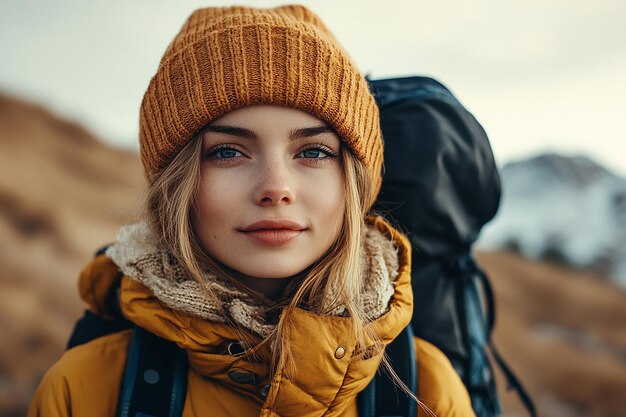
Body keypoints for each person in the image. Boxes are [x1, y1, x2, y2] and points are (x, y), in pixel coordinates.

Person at [28, 5, 475, 417]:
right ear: (175, 186)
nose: (276, 188)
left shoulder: (428, 392)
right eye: (227, 153)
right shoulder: (84, 391)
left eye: (314, 152)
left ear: (353, 184)